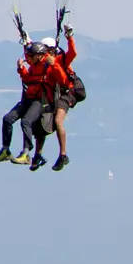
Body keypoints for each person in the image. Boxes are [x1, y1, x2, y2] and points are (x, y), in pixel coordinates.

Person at [0, 34, 52, 166]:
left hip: (40, 101)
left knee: (26, 122)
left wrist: (28, 76)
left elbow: (36, 80)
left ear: (39, 55)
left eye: (31, 55)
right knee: (7, 119)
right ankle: (6, 150)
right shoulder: (34, 66)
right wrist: (21, 69)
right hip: (28, 99)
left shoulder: (48, 66)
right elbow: (27, 79)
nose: (28, 58)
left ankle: (26, 153)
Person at [46, 25, 80, 172]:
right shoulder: (45, 63)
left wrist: (69, 36)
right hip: (60, 93)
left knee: (58, 120)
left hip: (70, 92)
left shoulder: (60, 60)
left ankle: (63, 154)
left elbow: (73, 53)